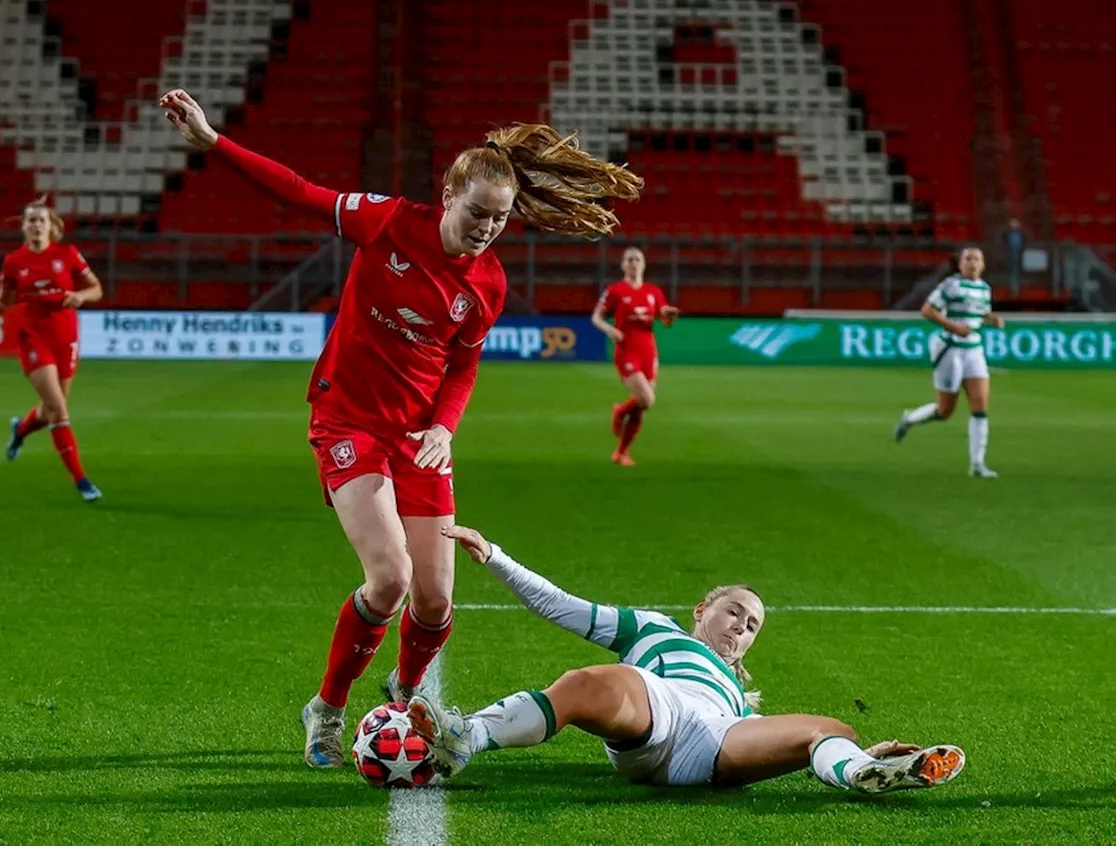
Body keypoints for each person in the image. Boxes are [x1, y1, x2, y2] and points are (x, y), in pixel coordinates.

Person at [158, 89, 645, 769]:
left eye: (500, 220)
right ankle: (326, 710)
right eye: (477, 213)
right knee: (388, 579)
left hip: (419, 437)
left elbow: (464, 365)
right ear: (449, 192)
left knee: (436, 597)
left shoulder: (488, 285)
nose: (485, 229)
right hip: (348, 419)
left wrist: (445, 426)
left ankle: (406, 694)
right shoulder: (385, 221)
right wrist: (214, 142)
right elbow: (300, 192)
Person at [408, 524, 966, 795]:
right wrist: (496, 557)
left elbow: (766, 734)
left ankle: (865, 773)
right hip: (656, 714)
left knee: (828, 727)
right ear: (703, 608)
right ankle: (467, 737)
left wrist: (847, 747)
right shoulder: (654, 628)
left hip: (717, 741)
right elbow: (562, 606)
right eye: (735, 612)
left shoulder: (737, 691)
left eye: (752, 627)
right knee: (589, 682)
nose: (741, 628)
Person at [0, 198, 104, 501]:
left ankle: (20, 431)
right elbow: (3, 306)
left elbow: (97, 289)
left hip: (66, 335)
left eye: (41, 220)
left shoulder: (67, 254)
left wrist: (80, 296)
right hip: (32, 335)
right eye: (30, 220)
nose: (36, 225)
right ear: (23, 226)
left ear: (51, 226)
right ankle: (82, 481)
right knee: (59, 410)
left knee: (49, 410)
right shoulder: (13, 262)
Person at [894, 246, 1005, 477]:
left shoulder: (984, 289)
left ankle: (977, 463)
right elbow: (927, 310)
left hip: (974, 349)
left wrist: (992, 319)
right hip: (950, 349)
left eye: (976, 259)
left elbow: (978, 313)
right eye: (968, 259)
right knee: (945, 411)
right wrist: (953, 326)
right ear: (960, 264)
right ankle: (910, 419)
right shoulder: (950, 285)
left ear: (983, 264)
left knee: (980, 404)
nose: (972, 263)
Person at [591, 246, 678, 466]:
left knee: (641, 406)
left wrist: (669, 316)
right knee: (647, 399)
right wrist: (610, 330)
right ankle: (620, 412)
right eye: (629, 259)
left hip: (648, 350)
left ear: (644, 264)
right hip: (626, 349)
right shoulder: (615, 290)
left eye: (637, 259)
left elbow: (664, 321)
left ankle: (621, 452)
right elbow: (597, 317)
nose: (633, 263)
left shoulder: (653, 291)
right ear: (622, 265)